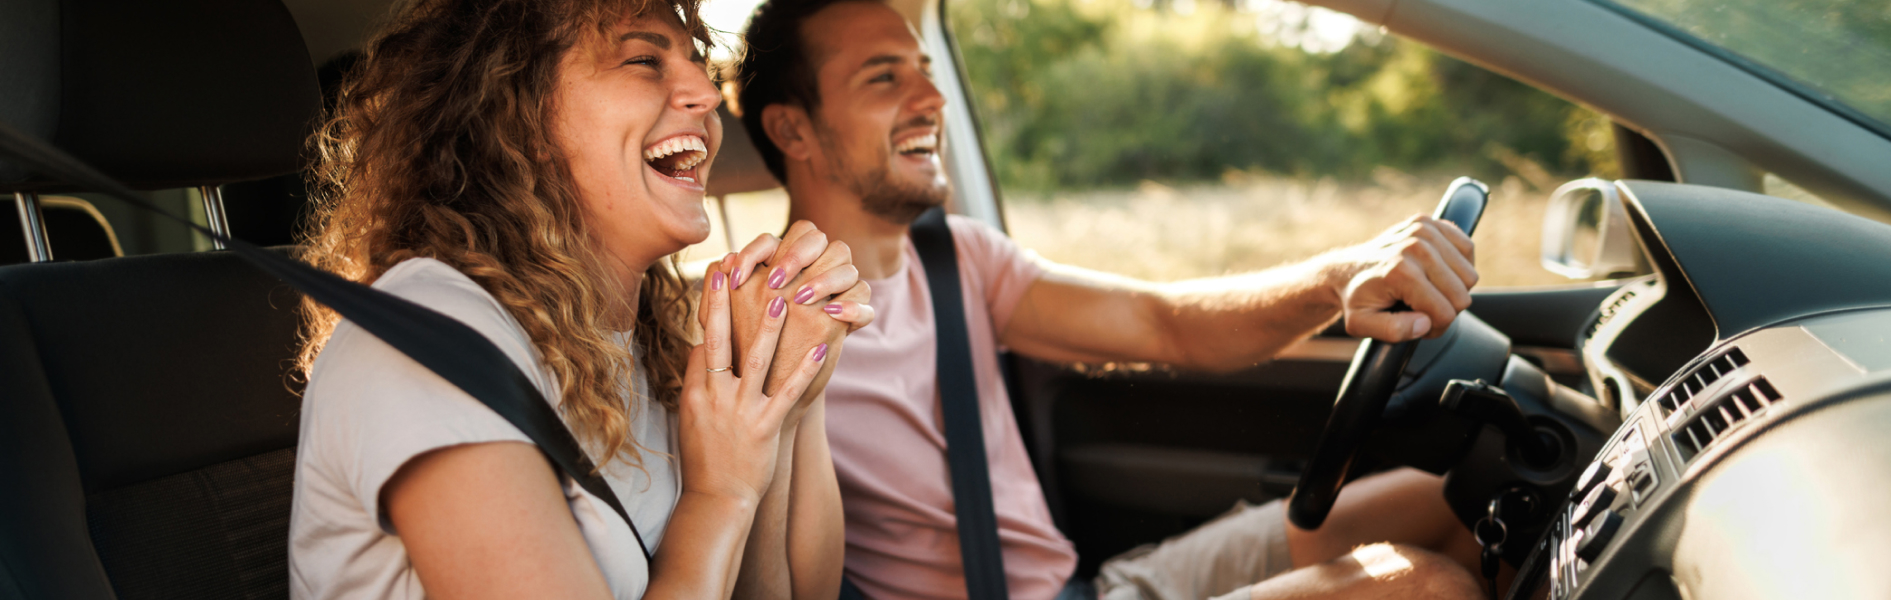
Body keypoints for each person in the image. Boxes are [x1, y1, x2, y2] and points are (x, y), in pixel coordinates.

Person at [727, 0, 1489, 598]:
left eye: (924, 69)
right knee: (1424, 588)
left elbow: (1164, 324)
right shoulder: (756, 325)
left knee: (1454, 501)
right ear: (792, 129)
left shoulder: (957, 255)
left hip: (1096, 587)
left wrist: (1337, 276)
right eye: (883, 77)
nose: (930, 97)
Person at [285, 0, 872, 598]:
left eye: (699, 63)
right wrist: (719, 495)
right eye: (645, 60)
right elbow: (724, 511)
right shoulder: (428, 342)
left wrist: (784, 379)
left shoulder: (649, 342)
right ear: (521, 114)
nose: (707, 91)